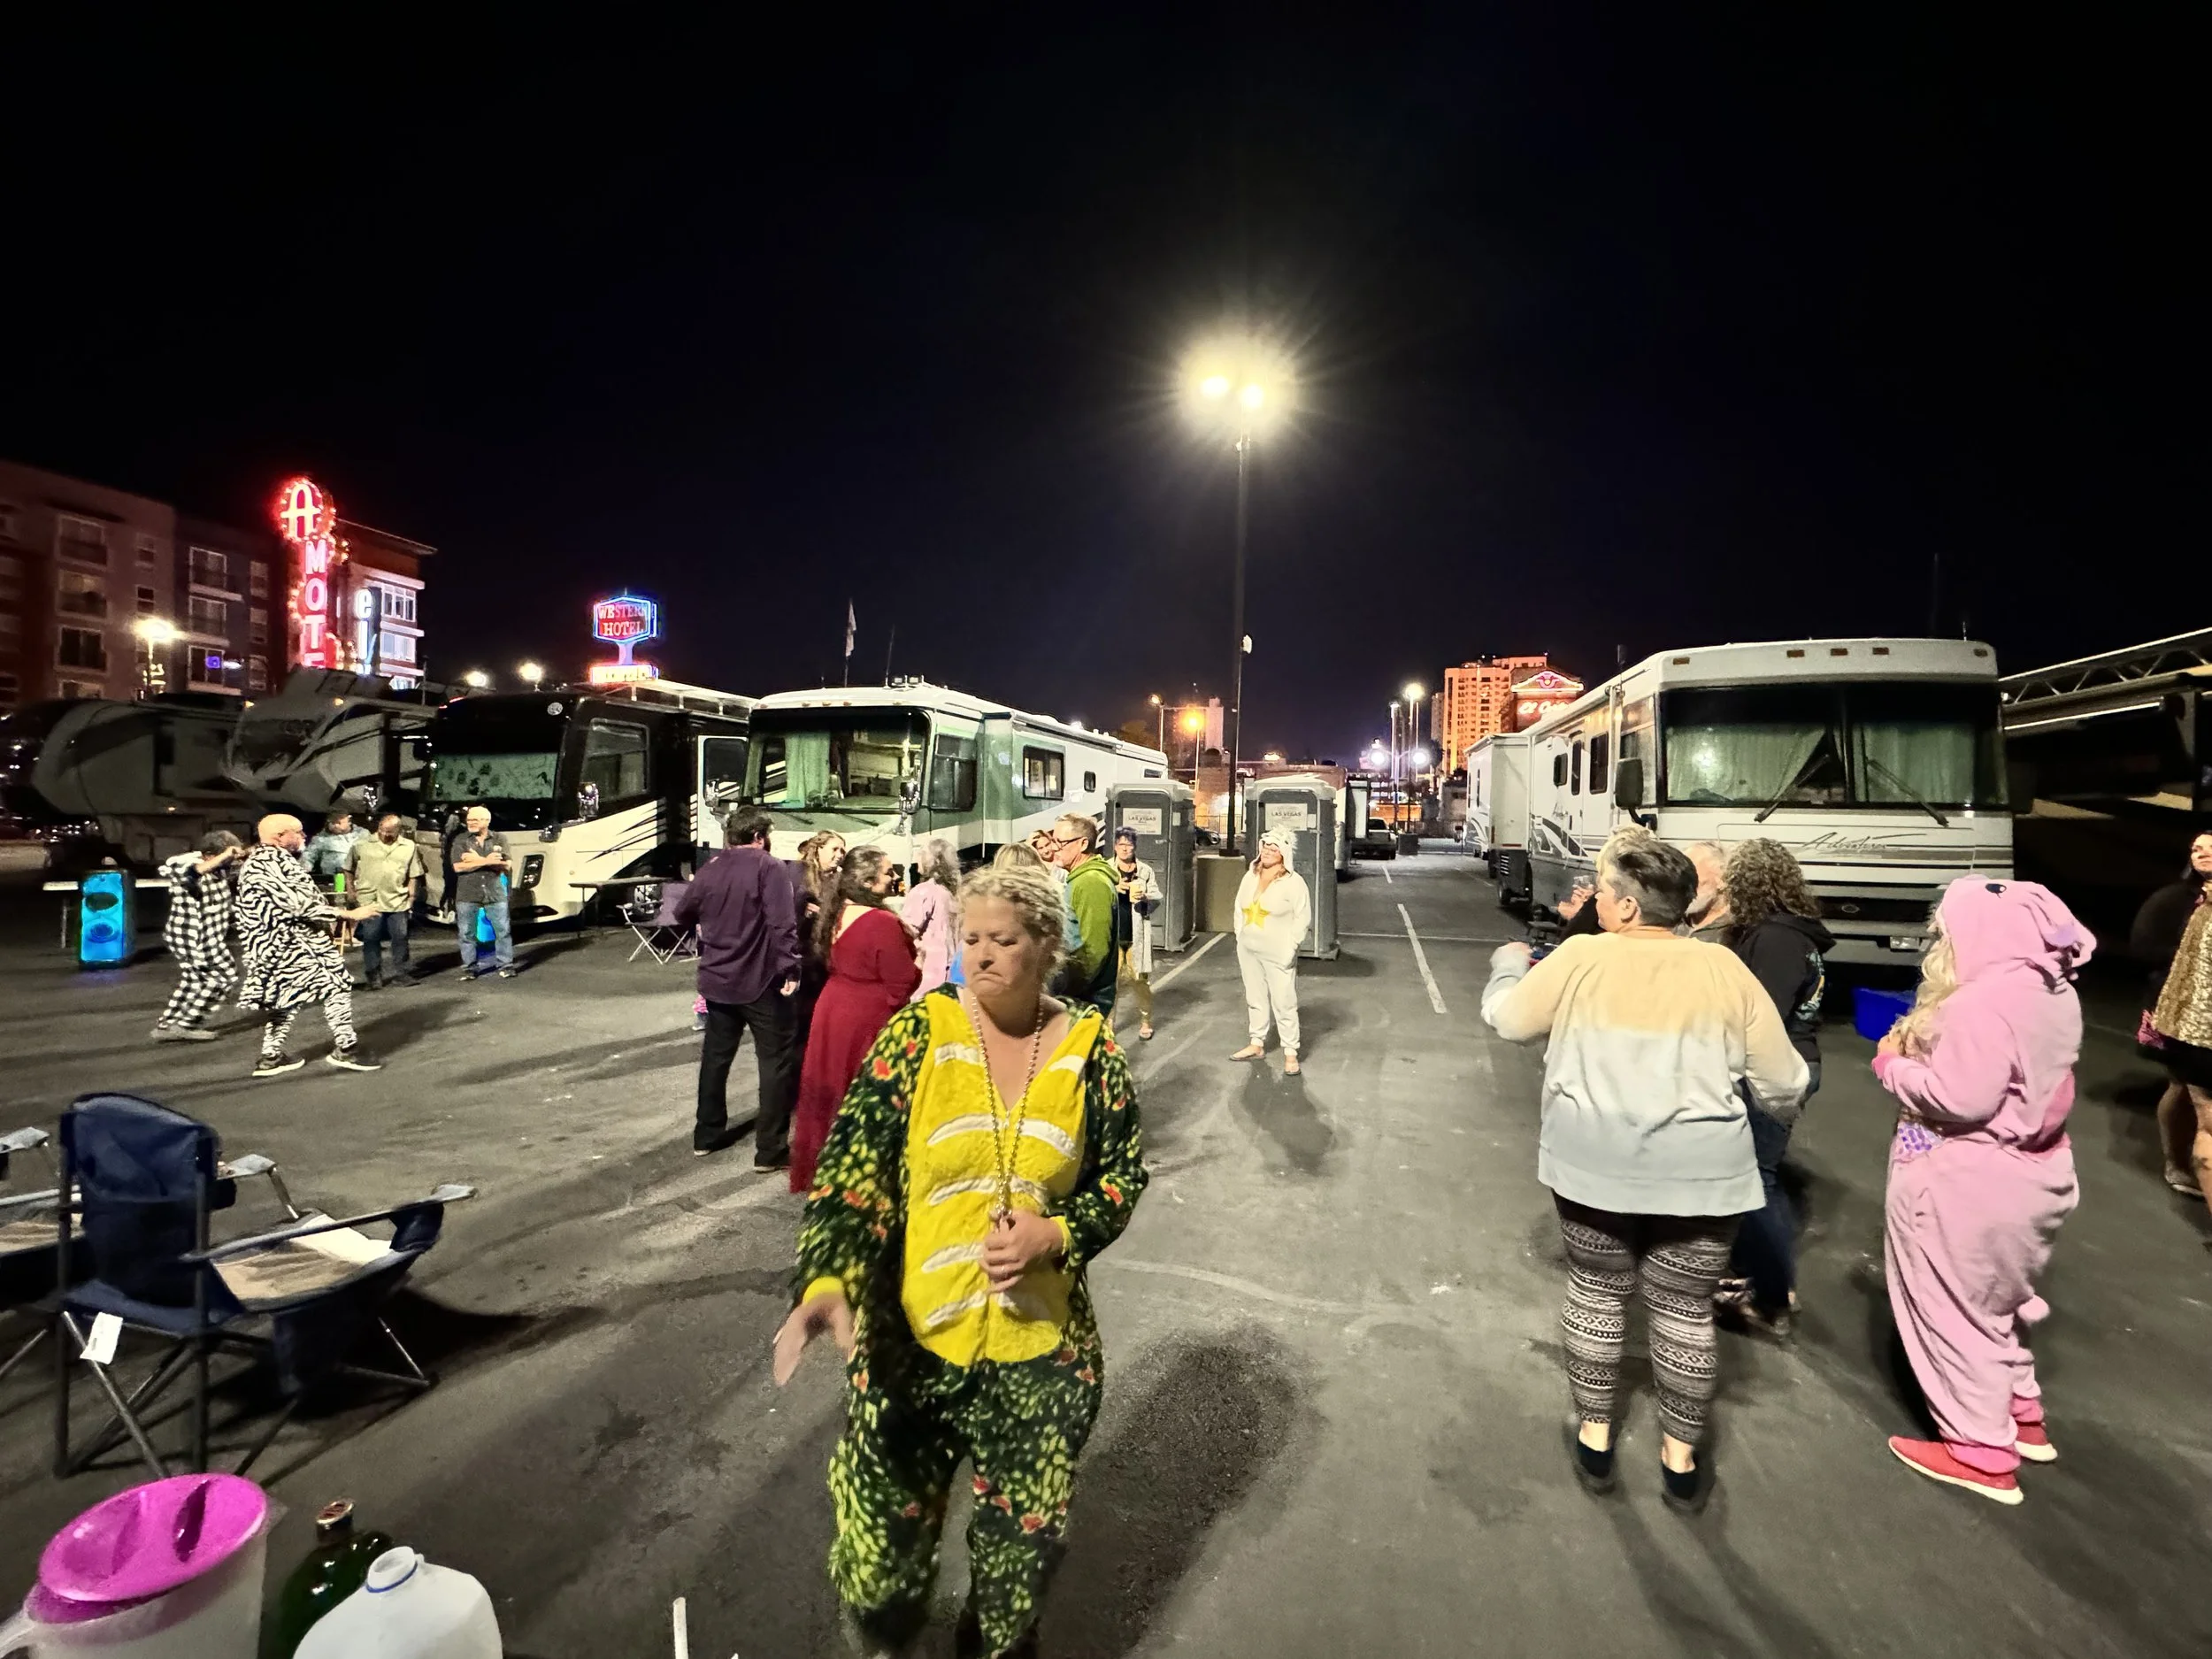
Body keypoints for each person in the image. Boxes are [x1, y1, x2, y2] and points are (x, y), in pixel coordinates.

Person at [772, 861, 1147, 1658]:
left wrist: (1059, 1233)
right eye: (970, 937)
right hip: (910, 1350)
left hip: (1040, 1360)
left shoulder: (1090, 1048)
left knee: (1018, 1570)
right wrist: (829, 1278)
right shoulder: (919, 1033)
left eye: (1002, 940)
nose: (979, 955)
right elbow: (853, 1168)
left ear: (1043, 945)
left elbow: (1123, 1173)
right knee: (879, 1563)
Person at [1481, 839, 1806, 1509]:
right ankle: (1680, 1459)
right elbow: (1784, 1081)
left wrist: (1507, 968)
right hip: (1704, 1177)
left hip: (1594, 1167)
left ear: (1627, 906)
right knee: (1685, 1309)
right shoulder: (1722, 968)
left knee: (1599, 1293)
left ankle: (1596, 1437)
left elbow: (1510, 1023)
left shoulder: (1581, 957)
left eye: (1602, 888)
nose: (1594, 898)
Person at [1874, 879, 2093, 1504]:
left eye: (1945, 929)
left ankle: (1979, 1448)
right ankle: (2021, 1414)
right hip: (2037, 1173)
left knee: (1949, 1307)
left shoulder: (1981, 1002)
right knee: (1996, 1299)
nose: (1940, 941)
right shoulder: (2054, 991)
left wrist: (1893, 1064)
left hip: (1966, 1178)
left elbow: (1960, 1097)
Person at [1710, 838, 1833, 1335]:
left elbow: (1760, 1015)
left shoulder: (1777, 939)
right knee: (1752, 1174)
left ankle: (1773, 1290)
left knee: (1754, 1181)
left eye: (1731, 881)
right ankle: (1754, 1275)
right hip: (1779, 1063)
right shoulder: (1780, 932)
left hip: (1776, 1067)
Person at [673, 805, 803, 1164]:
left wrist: (712, 924)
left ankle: (707, 1134)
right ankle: (770, 1150)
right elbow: (782, 923)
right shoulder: (769, 867)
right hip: (759, 980)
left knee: (716, 1060)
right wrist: (790, 967)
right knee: (773, 1062)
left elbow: (683, 912)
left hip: (717, 979)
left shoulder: (711, 868)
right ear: (760, 837)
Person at [790, 847, 922, 1192]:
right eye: (889, 872)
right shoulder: (880, 922)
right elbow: (902, 979)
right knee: (863, 1090)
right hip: (865, 1013)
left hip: (834, 1006)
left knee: (831, 1086)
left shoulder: (838, 910)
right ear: (867, 881)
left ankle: (829, 1160)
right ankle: (862, 1167)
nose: (895, 878)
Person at [236, 814, 382, 1077]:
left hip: (280, 945)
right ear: (280, 836)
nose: (304, 837)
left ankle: (271, 1056)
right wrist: (347, 915)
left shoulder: (264, 861)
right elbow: (297, 905)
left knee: (286, 999)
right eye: (298, 832)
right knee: (336, 985)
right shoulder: (268, 862)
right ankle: (346, 1049)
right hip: (294, 942)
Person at [2132, 832, 2212, 1199]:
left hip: (2201, 1013)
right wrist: (2188, 967)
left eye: (2211, 848)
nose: (2202, 854)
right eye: (2196, 848)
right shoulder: (2174, 900)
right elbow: (2144, 947)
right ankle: (2176, 1162)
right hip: (2179, 1008)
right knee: (2183, 1088)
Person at [1230, 829, 1312, 1074]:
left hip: (1278, 954)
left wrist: (1290, 948)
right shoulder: (1251, 876)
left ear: (1284, 853)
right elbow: (1238, 907)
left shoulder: (1294, 883)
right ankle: (1257, 1043)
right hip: (1249, 950)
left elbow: (1302, 918)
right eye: (1264, 846)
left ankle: (1290, 1052)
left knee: (1284, 1001)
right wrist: (1239, 936)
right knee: (1255, 997)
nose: (1266, 851)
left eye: (1273, 848)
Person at [151, 831, 244, 1042]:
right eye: (226, 857)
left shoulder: (218, 872)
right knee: (224, 975)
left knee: (195, 980)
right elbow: (193, 874)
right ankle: (185, 1025)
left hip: (206, 935)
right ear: (211, 855)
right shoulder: (183, 865)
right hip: (195, 936)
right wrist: (226, 854)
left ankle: (167, 1025)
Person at [1045, 814, 1118, 1013]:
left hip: (1084, 1002)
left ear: (1083, 844)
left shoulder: (1090, 882)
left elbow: (1094, 951)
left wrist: (1067, 990)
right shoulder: (1081, 879)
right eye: (1053, 840)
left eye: (1060, 842)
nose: (1053, 848)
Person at [350, 813, 425, 989]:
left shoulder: (409, 846)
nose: (384, 835)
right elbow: (348, 868)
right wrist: (351, 890)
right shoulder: (362, 844)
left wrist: (412, 896)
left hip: (397, 899)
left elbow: (414, 874)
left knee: (400, 937)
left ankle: (402, 973)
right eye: (381, 830)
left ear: (398, 830)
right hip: (370, 899)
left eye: (389, 832)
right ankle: (373, 977)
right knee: (371, 938)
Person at [793, 830, 849, 1051]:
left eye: (842, 850)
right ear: (819, 849)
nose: (840, 854)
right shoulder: (800, 875)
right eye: (835, 849)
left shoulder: (840, 880)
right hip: (803, 957)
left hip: (829, 957)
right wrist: (804, 912)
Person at [1109, 826, 1163, 1041]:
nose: (1125, 849)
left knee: (1140, 981)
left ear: (1134, 847)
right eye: (1121, 845)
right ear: (1114, 846)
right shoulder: (1107, 870)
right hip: (1112, 935)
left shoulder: (1145, 870)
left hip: (1136, 935)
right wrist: (1114, 888)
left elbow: (1158, 896)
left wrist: (1145, 897)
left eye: (1129, 845)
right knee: (1110, 984)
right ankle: (1108, 1024)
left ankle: (1145, 1021)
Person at [450, 805, 516, 979]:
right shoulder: (461, 840)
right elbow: (458, 867)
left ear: (486, 821)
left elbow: (506, 865)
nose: (470, 822)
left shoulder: (500, 839)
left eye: (475, 820)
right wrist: (488, 861)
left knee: (503, 930)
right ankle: (469, 968)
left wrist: (476, 860)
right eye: (469, 819)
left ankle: (505, 965)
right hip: (467, 893)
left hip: (494, 892)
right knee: (466, 933)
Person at [903, 837, 962, 998]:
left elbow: (906, 931)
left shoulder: (923, 892)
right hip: (949, 975)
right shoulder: (950, 894)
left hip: (926, 974)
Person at [304, 810, 368, 948]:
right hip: (334, 877)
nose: (335, 826)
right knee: (335, 904)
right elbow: (308, 856)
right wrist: (304, 869)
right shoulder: (320, 839)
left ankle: (349, 934)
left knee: (357, 904)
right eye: (332, 823)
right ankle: (332, 935)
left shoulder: (363, 835)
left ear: (349, 821)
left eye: (339, 823)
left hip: (358, 876)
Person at [1681, 841, 1731, 941]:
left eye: (1691, 876)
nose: (1682, 884)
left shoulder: (1738, 932)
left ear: (1722, 878)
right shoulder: (1670, 925)